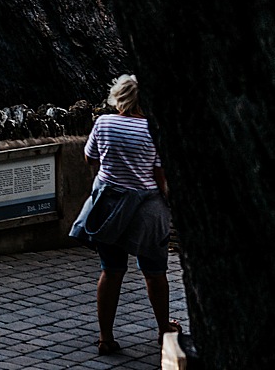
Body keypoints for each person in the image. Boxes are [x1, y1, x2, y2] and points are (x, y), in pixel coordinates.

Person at [71, 73, 183, 355]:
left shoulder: (103, 123)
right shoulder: (153, 130)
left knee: (111, 270)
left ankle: (105, 338)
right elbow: (159, 175)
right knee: (155, 273)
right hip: (147, 212)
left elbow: (90, 159)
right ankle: (163, 330)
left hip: (109, 208)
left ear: (119, 97)